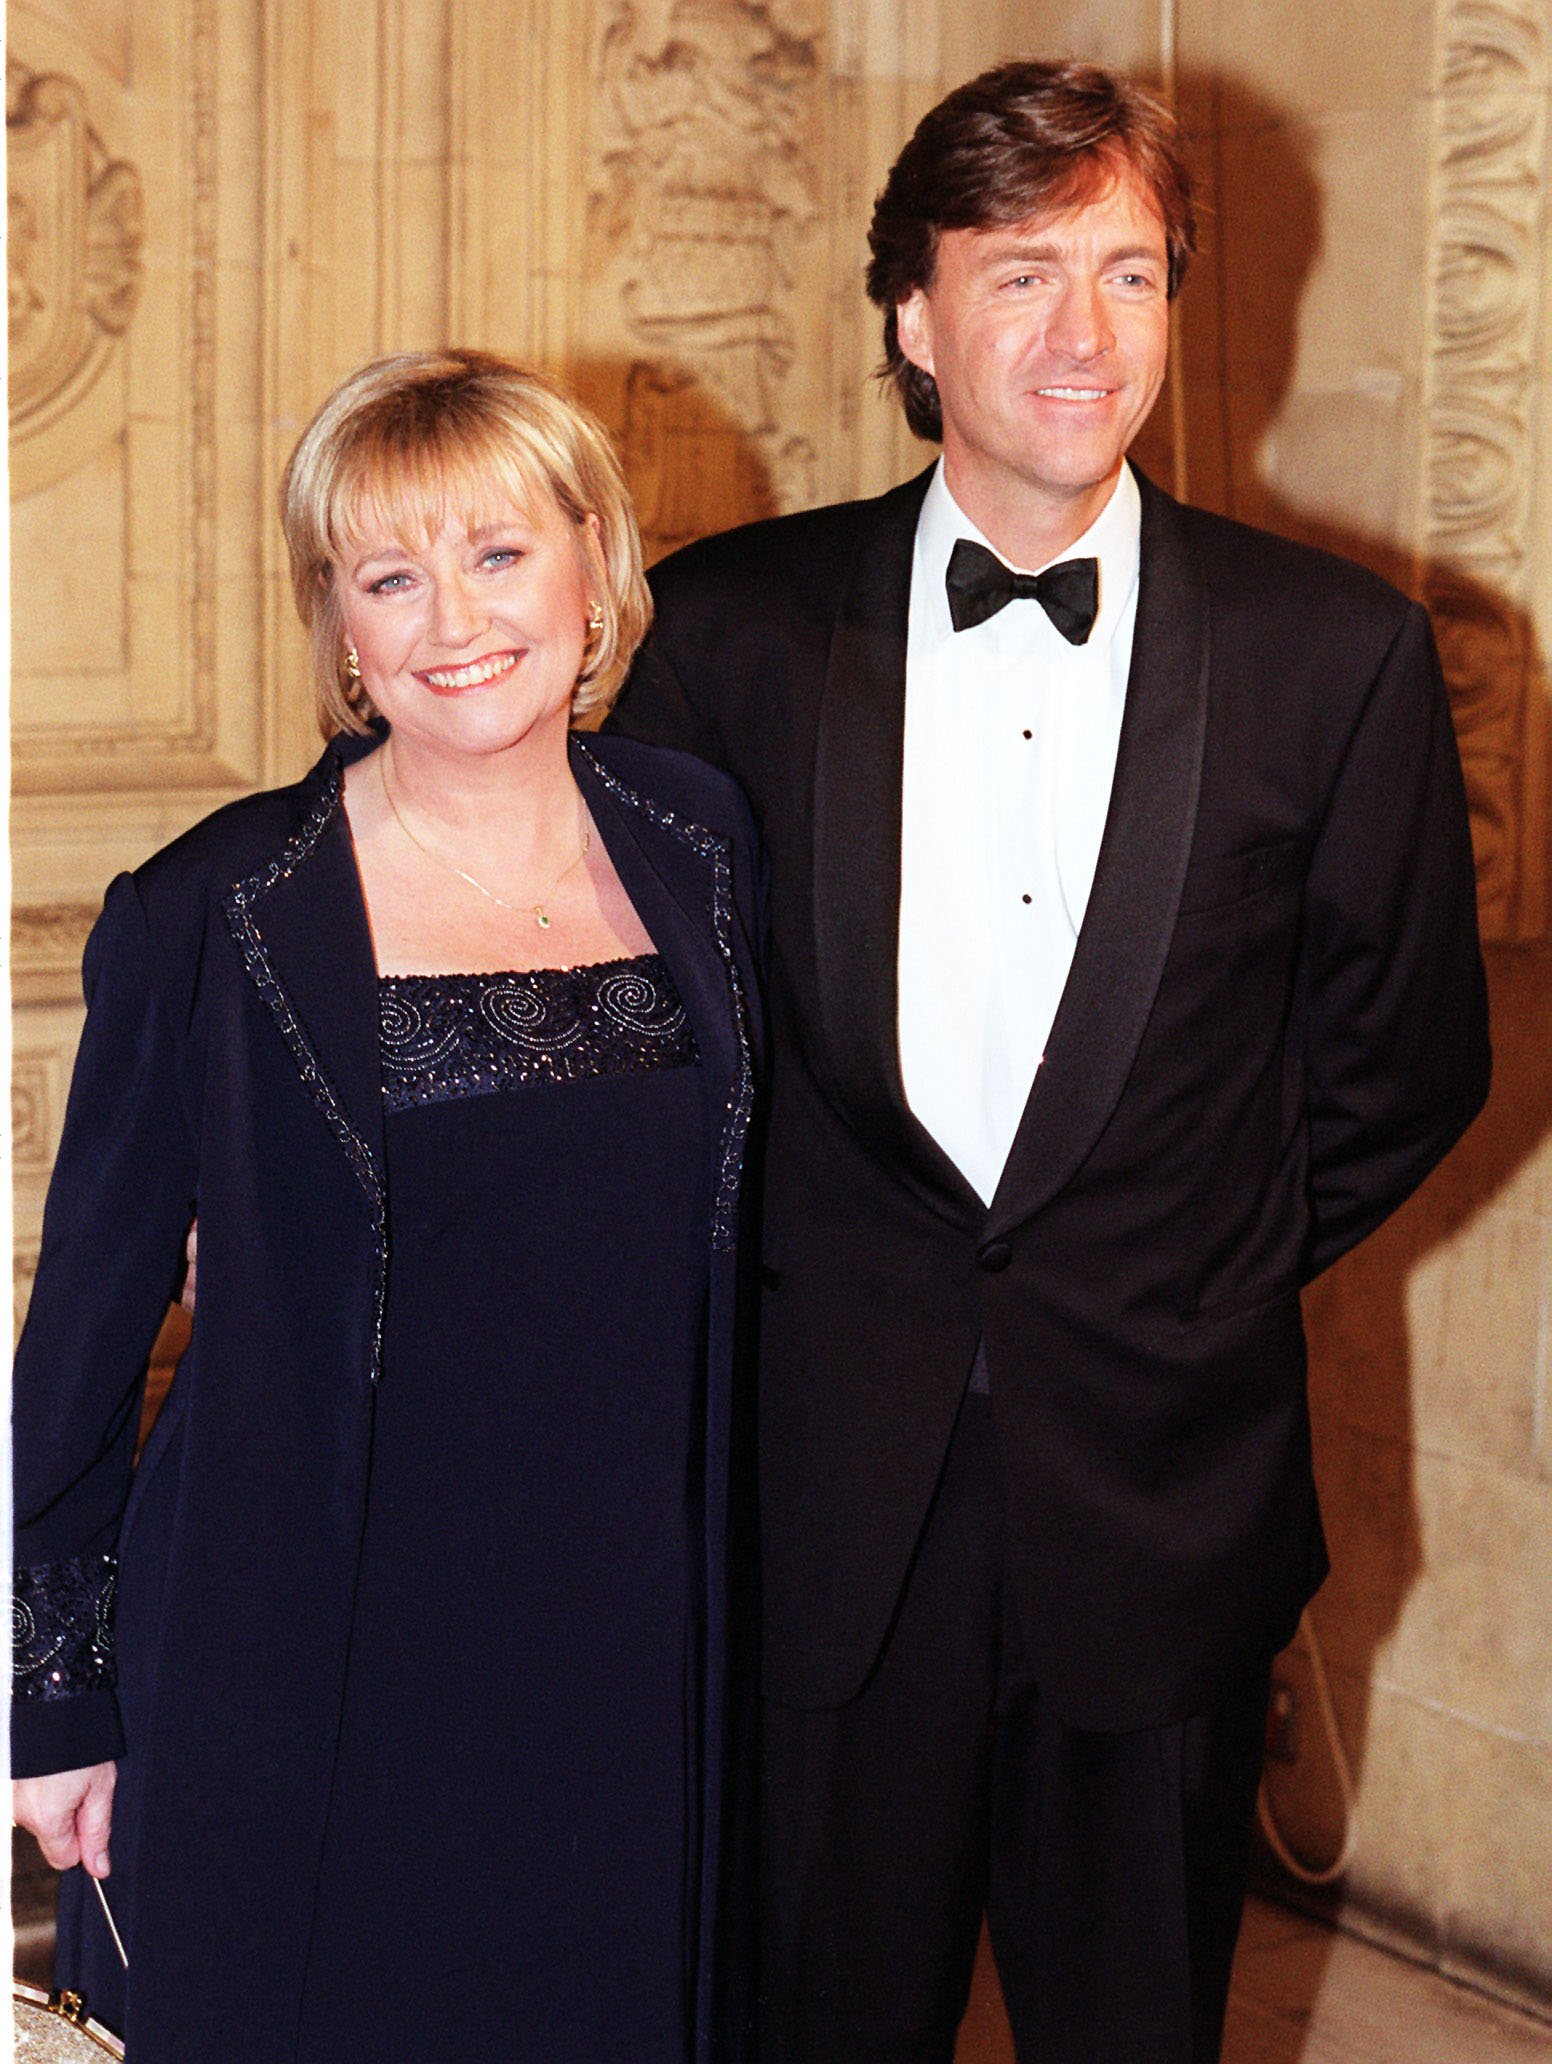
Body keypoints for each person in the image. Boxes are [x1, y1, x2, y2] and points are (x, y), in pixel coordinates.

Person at [610, 58, 1491, 2064]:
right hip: (820, 1497)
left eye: (1126, 271)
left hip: (1159, 1495)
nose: (1080, 334)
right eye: (1018, 274)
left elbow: (1402, 1059)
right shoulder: (724, 631)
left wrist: (1187, 1249)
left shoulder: (1328, 653)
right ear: (912, 319)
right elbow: (652, 1039)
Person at [11, 349, 762, 2064]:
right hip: (304, 1650)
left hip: (625, 1644)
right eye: (390, 575)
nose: (452, 619)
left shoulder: (702, 846)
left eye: (499, 554)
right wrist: (59, 1706)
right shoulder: (213, 909)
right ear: (342, 631)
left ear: (595, 573)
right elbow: (85, 1338)